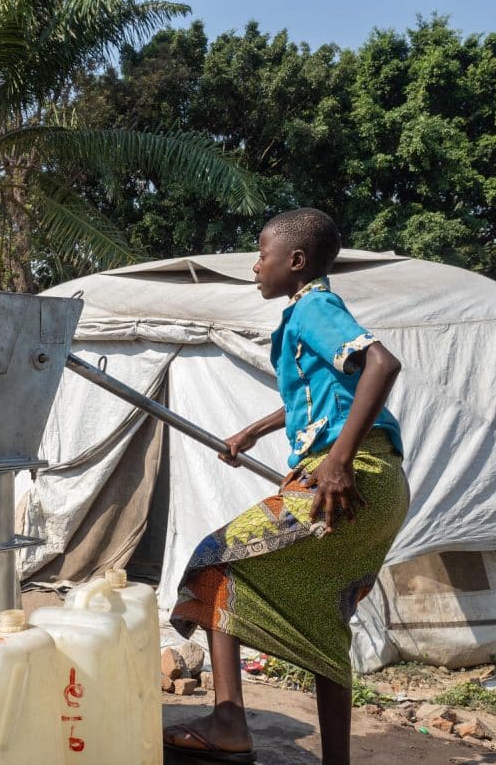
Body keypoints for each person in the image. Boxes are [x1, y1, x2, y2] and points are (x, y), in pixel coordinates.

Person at [163, 209, 408, 765]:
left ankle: (228, 722)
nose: (255, 266)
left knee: (215, 562)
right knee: (324, 614)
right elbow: (321, 394)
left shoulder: (314, 307)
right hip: (380, 484)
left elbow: (381, 364)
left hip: (349, 479)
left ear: (295, 262)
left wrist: (339, 459)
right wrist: (253, 430)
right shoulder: (306, 314)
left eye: (261, 254)